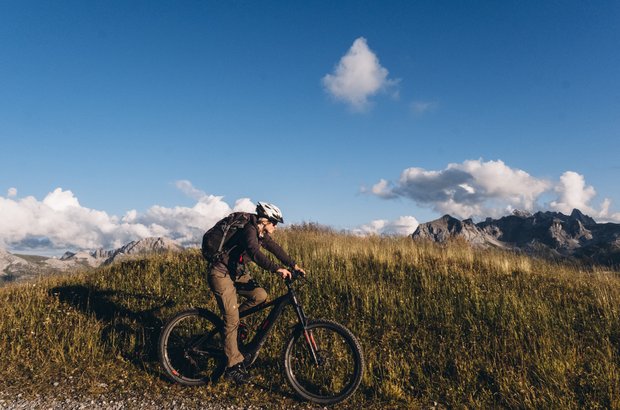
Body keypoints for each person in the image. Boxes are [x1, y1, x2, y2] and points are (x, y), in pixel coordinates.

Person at [206, 202, 305, 385]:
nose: (275, 227)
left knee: (260, 296)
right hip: (220, 273)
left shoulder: (261, 233)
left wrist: (294, 265)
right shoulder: (249, 230)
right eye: (274, 223)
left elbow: (276, 249)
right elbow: (254, 252)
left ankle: (233, 327)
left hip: (236, 272)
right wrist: (277, 269)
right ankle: (232, 367)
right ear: (264, 220)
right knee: (231, 317)